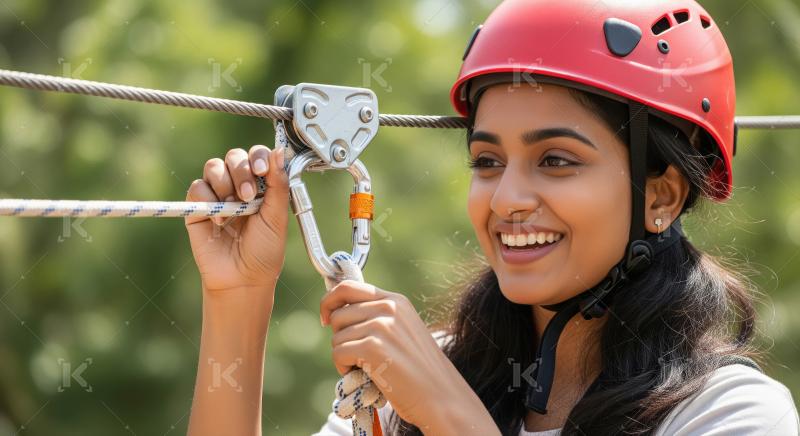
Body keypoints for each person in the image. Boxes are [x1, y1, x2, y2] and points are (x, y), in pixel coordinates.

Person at [184, 0, 800, 434]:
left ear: (661, 197)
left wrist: (446, 412)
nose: (506, 199)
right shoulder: (418, 380)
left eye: (555, 160)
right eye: (487, 161)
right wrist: (238, 296)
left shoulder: (728, 413)